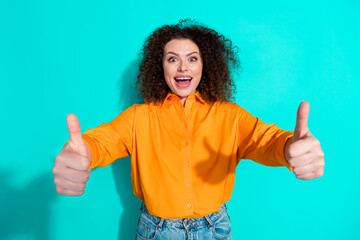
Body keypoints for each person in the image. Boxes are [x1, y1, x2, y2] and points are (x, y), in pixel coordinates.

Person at [52, 19, 325, 239]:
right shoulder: (138, 117)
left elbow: (267, 140)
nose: (183, 66)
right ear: (161, 66)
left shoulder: (230, 116)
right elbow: (103, 141)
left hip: (214, 229)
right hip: (156, 231)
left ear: (205, 65)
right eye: (172, 59)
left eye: (192, 58)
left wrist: (290, 148)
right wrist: (82, 153)